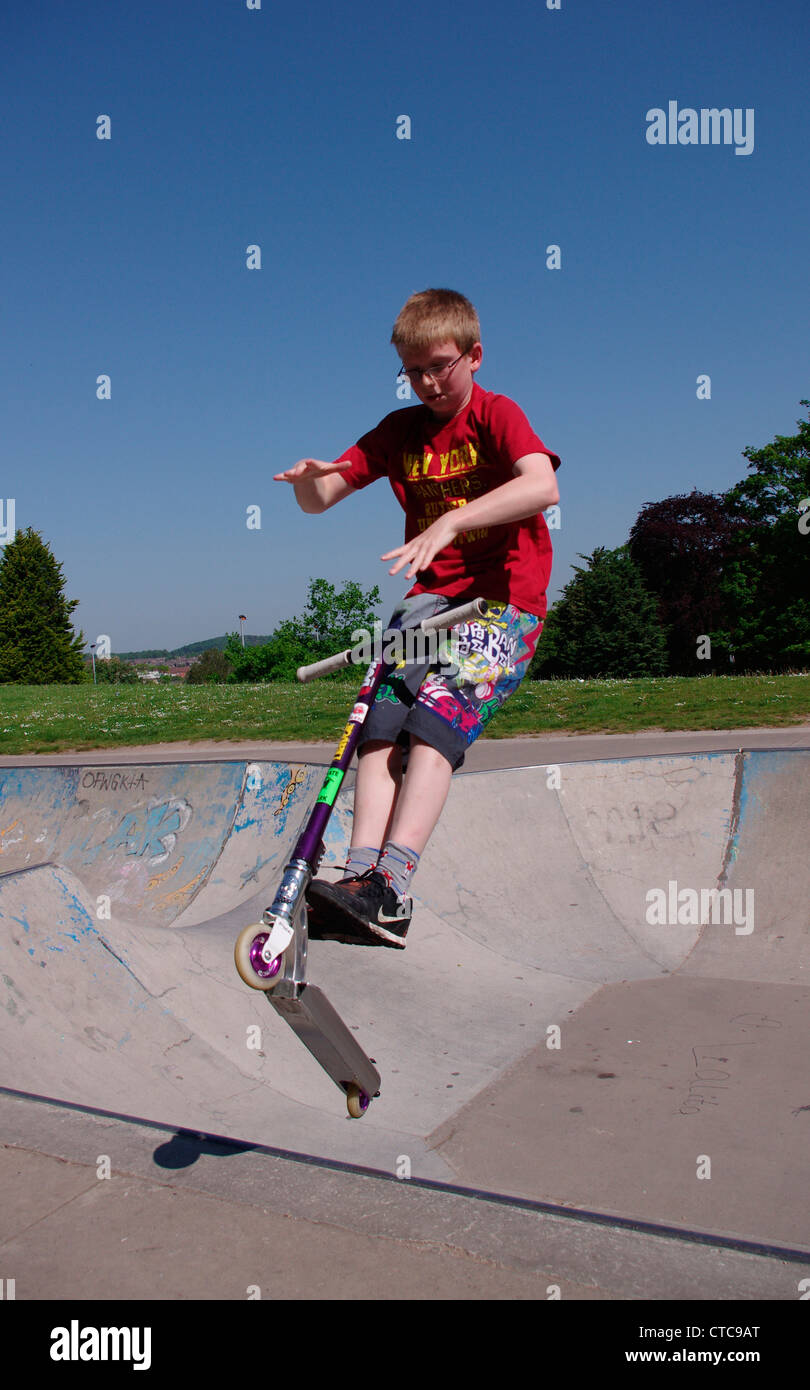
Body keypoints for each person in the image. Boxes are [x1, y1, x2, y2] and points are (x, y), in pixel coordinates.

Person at [274, 288, 561, 949]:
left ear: (474, 356)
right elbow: (324, 499)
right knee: (377, 723)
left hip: (503, 603)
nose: (429, 383)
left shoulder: (496, 414)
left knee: (436, 717)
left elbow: (542, 484)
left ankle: (394, 884)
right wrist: (308, 484)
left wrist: (457, 517)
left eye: (441, 366)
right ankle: (359, 880)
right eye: (415, 372)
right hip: (430, 601)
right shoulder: (400, 431)